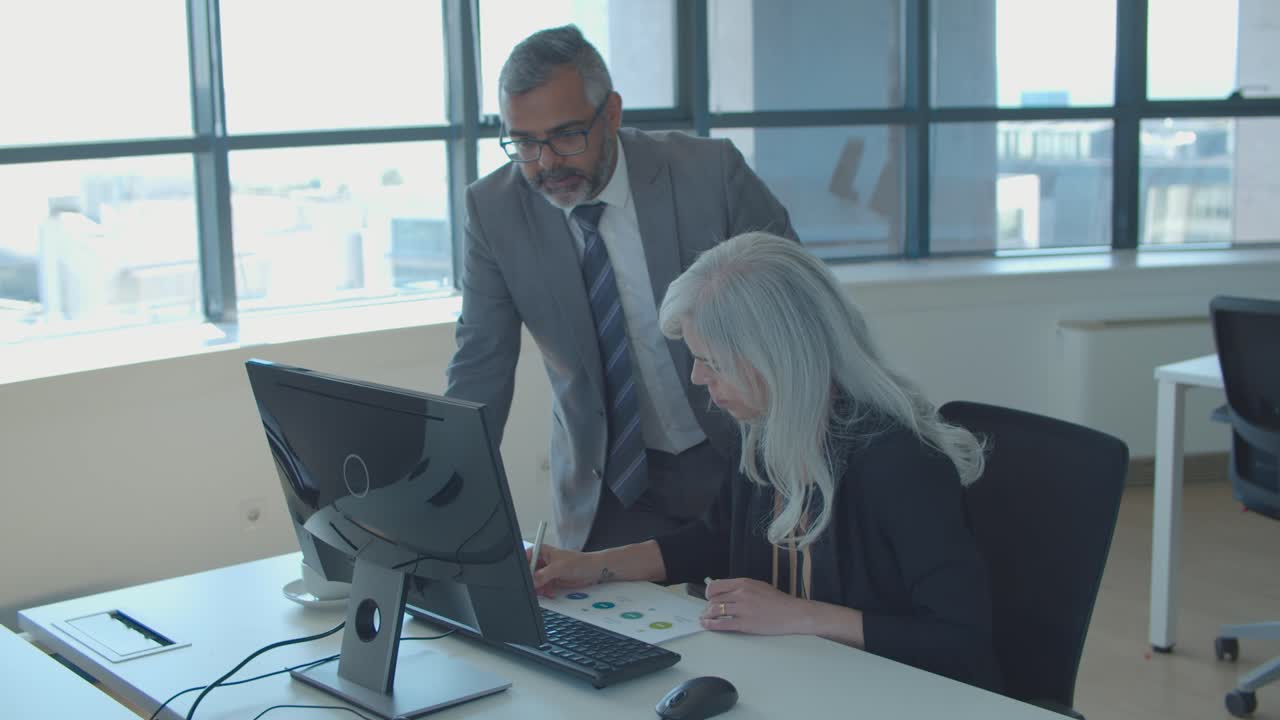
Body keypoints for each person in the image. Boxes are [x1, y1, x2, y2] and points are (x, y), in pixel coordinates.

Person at [529, 232, 1003, 692]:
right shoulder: (767, 430)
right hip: (790, 681)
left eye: (712, 361)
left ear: (779, 358)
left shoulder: (899, 465)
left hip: (881, 695)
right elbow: (716, 537)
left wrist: (800, 614)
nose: (698, 377)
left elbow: (965, 644)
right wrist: (592, 566)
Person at [445, 25, 797, 552]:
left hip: (740, 460)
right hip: (608, 486)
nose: (545, 164)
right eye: (523, 142)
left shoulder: (710, 174)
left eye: (566, 136)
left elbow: (804, 315)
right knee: (598, 634)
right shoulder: (494, 209)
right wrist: (443, 497)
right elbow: (481, 364)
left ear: (611, 113)